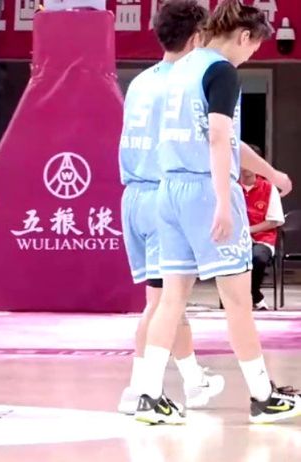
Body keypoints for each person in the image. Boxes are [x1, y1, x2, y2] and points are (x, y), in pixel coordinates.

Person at [135, 0, 300, 425]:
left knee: (172, 299)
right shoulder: (221, 71)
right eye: (254, 47)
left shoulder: (178, 69)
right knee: (238, 301)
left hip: (168, 190)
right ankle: (262, 397)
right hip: (206, 190)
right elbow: (218, 138)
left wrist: (271, 174)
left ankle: (148, 395)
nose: (251, 56)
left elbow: (219, 137)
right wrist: (225, 202)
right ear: (244, 36)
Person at [118, 0, 224, 415]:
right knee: (162, 303)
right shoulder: (185, 83)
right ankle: (136, 389)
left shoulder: (141, 81)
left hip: (133, 195)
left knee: (168, 301)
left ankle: (195, 380)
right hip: (164, 194)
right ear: (197, 38)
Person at [240, 151, 284, 311]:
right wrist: (241, 234)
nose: (247, 167)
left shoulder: (269, 188)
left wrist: (249, 231)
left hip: (261, 239)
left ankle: (249, 295)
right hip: (236, 239)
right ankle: (254, 297)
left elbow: (273, 221)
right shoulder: (231, 187)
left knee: (257, 257)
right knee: (229, 260)